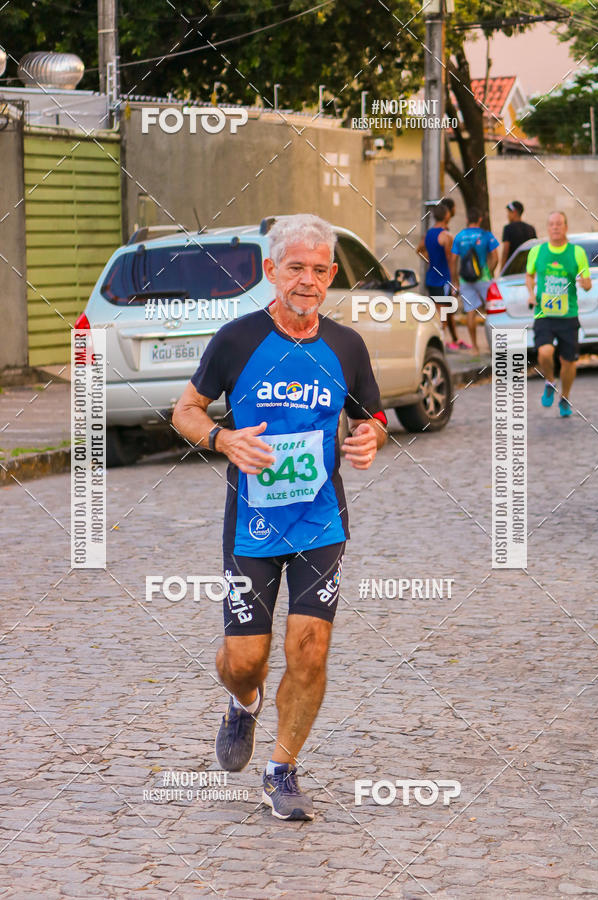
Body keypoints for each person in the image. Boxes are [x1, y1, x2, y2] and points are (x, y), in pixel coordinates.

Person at [172, 214, 388, 821]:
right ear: (271, 271)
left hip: (321, 519)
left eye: (321, 270)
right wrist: (222, 439)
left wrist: (369, 439)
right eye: (296, 268)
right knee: (246, 659)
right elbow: (185, 409)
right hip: (253, 522)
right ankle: (243, 703)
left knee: (311, 648)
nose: (309, 281)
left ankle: (282, 769)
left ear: (332, 276)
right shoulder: (239, 339)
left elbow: (372, 416)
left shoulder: (346, 345)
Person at [526, 210, 591, 417]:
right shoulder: (537, 252)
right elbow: (529, 275)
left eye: (559, 224)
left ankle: (565, 397)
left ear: (566, 227)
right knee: (545, 352)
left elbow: (587, 282)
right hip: (544, 313)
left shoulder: (577, 252)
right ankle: (550, 381)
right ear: (548, 227)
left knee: (569, 362)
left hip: (568, 315)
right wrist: (530, 292)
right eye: (552, 224)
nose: (555, 227)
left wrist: (586, 283)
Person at [451, 207, 499, 355]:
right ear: (479, 219)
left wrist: (455, 281)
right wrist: (490, 272)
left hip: (465, 279)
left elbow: (453, 260)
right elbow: (495, 257)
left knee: (470, 311)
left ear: (467, 220)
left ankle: (475, 347)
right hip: (484, 278)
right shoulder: (486, 235)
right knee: (493, 310)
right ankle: (495, 346)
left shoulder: (459, 237)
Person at [415, 203, 462, 349]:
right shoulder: (447, 236)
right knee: (443, 314)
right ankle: (441, 342)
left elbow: (419, 250)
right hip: (444, 280)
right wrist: (455, 282)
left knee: (438, 312)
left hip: (431, 278)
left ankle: (447, 340)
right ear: (447, 216)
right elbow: (451, 261)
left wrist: (430, 260)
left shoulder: (428, 234)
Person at [500, 201, 537, 270]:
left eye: (509, 213)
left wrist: (502, 268)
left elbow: (505, 250)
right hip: (528, 267)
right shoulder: (531, 228)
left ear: (514, 212)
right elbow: (535, 248)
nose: (507, 215)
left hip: (512, 269)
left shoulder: (508, 228)